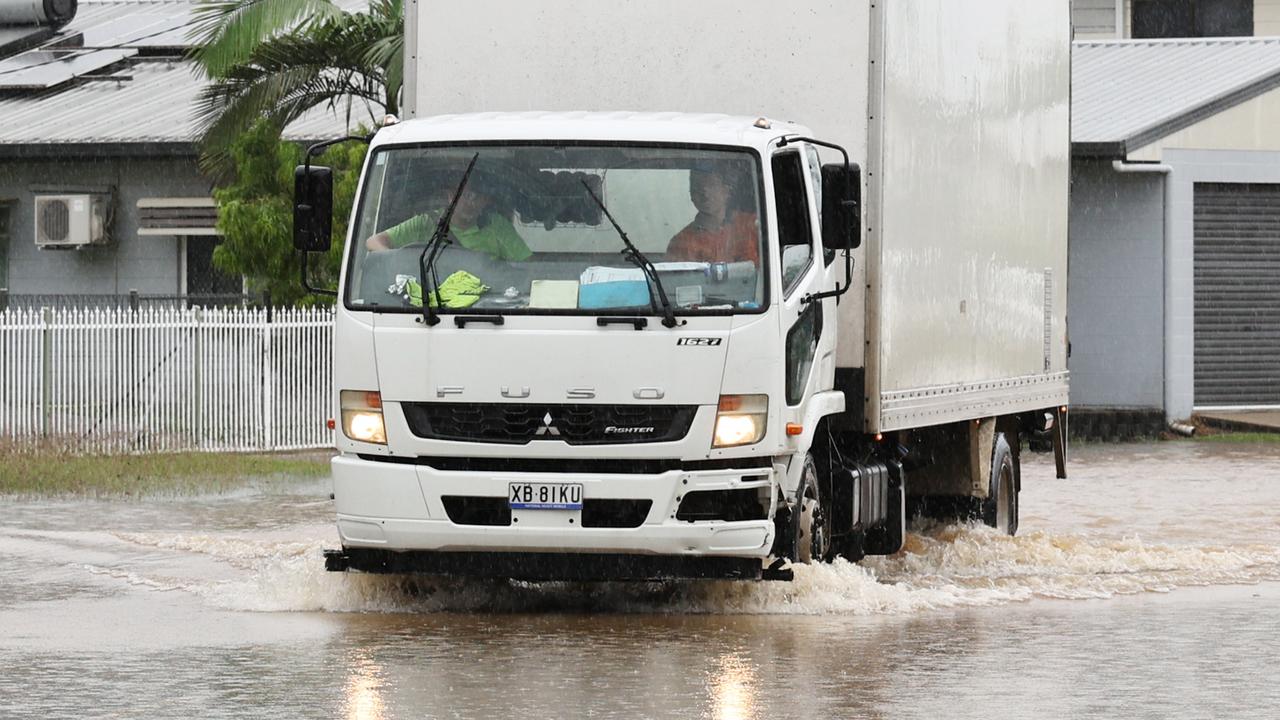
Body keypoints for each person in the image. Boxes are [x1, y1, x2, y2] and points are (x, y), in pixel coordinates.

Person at [365, 181, 532, 261]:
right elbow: (374, 242)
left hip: (486, 308)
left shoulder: (495, 225)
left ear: (486, 201)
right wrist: (396, 261)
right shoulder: (426, 223)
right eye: (466, 196)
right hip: (432, 310)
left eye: (477, 198)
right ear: (450, 196)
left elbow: (526, 265)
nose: (471, 203)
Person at [665, 168, 759, 264]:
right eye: (697, 186)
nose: (705, 193)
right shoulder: (681, 242)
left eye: (711, 185)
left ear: (726, 191)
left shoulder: (752, 225)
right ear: (691, 194)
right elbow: (679, 278)